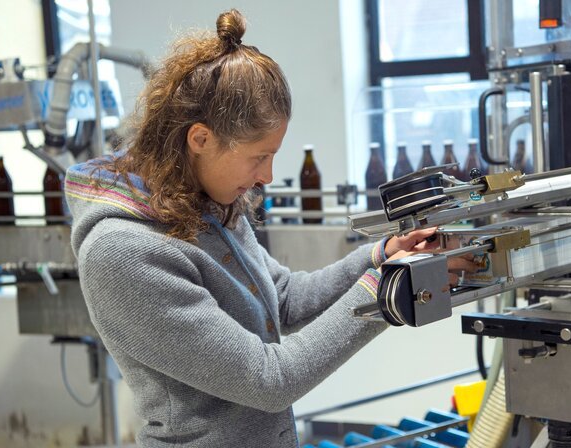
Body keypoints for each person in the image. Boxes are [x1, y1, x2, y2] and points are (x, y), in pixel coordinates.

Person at [65, 9, 475, 448]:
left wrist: (380, 254)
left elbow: (282, 299)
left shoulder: (206, 203)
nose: (268, 175)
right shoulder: (122, 254)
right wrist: (385, 289)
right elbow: (268, 381)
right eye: (258, 157)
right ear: (200, 139)